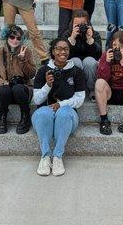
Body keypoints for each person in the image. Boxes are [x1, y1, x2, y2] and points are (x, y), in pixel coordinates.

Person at [31, 37, 86, 176]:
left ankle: (57, 157)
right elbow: (37, 100)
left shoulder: (76, 71)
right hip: (44, 115)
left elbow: (79, 99)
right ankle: (45, 156)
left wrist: (60, 104)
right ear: (53, 51)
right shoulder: (43, 70)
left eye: (66, 48)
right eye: (59, 48)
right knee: (44, 113)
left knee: (63, 113)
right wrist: (47, 86)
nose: (63, 51)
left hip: (67, 117)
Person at [0, 25, 36, 135]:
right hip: (7, 92)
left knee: (18, 88)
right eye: (12, 37)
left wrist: (22, 60)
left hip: (23, 91)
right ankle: (2, 116)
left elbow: (32, 74)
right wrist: (4, 82)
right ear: (6, 37)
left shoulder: (26, 51)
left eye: (18, 38)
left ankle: (25, 115)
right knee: (4, 90)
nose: (15, 40)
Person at [95, 30, 123, 135]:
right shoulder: (106, 55)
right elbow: (101, 77)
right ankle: (104, 120)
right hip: (110, 92)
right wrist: (107, 62)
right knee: (99, 83)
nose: (116, 48)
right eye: (114, 45)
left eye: (120, 46)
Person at [62, 9, 102, 102]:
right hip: (75, 64)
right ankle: (75, 90)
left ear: (88, 23)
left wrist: (90, 40)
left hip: (89, 66)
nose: (80, 27)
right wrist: (71, 39)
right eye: (77, 25)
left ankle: (92, 90)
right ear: (72, 23)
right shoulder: (67, 34)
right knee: (75, 61)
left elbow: (99, 55)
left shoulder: (95, 34)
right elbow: (63, 56)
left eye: (82, 24)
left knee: (89, 61)